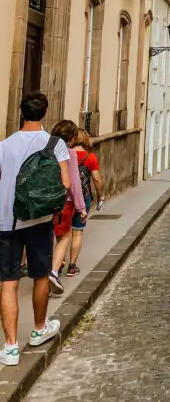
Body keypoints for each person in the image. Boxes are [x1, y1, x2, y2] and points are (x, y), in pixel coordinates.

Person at [0, 92, 70, 366]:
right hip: (39, 222)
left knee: (8, 282)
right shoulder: (55, 144)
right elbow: (64, 183)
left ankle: (10, 347)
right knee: (40, 277)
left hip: (6, 222)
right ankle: (39, 329)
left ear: (21, 112)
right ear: (45, 112)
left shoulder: (4, 145)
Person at [48, 121, 86, 296]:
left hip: (42, 200)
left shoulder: (44, 149)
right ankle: (53, 272)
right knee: (63, 237)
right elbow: (74, 185)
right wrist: (81, 208)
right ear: (72, 137)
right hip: (64, 202)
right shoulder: (69, 153)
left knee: (47, 235)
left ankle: (44, 269)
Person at [67, 128, 103, 277]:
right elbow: (96, 179)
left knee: (62, 233)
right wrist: (101, 196)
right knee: (77, 231)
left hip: (66, 198)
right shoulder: (90, 157)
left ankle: (58, 261)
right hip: (83, 197)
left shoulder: (66, 155)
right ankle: (72, 266)